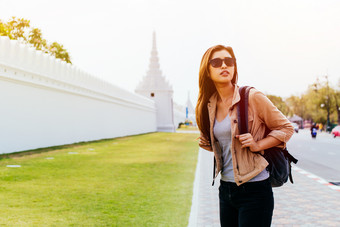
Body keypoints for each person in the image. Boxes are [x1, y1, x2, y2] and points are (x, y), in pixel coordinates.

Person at [195, 45, 294, 227]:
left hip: (254, 189)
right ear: (207, 71)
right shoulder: (209, 104)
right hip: (226, 189)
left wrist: (258, 144)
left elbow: (286, 128)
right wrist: (209, 144)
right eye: (216, 62)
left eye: (229, 61)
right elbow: (226, 144)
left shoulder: (252, 97)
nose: (224, 66)